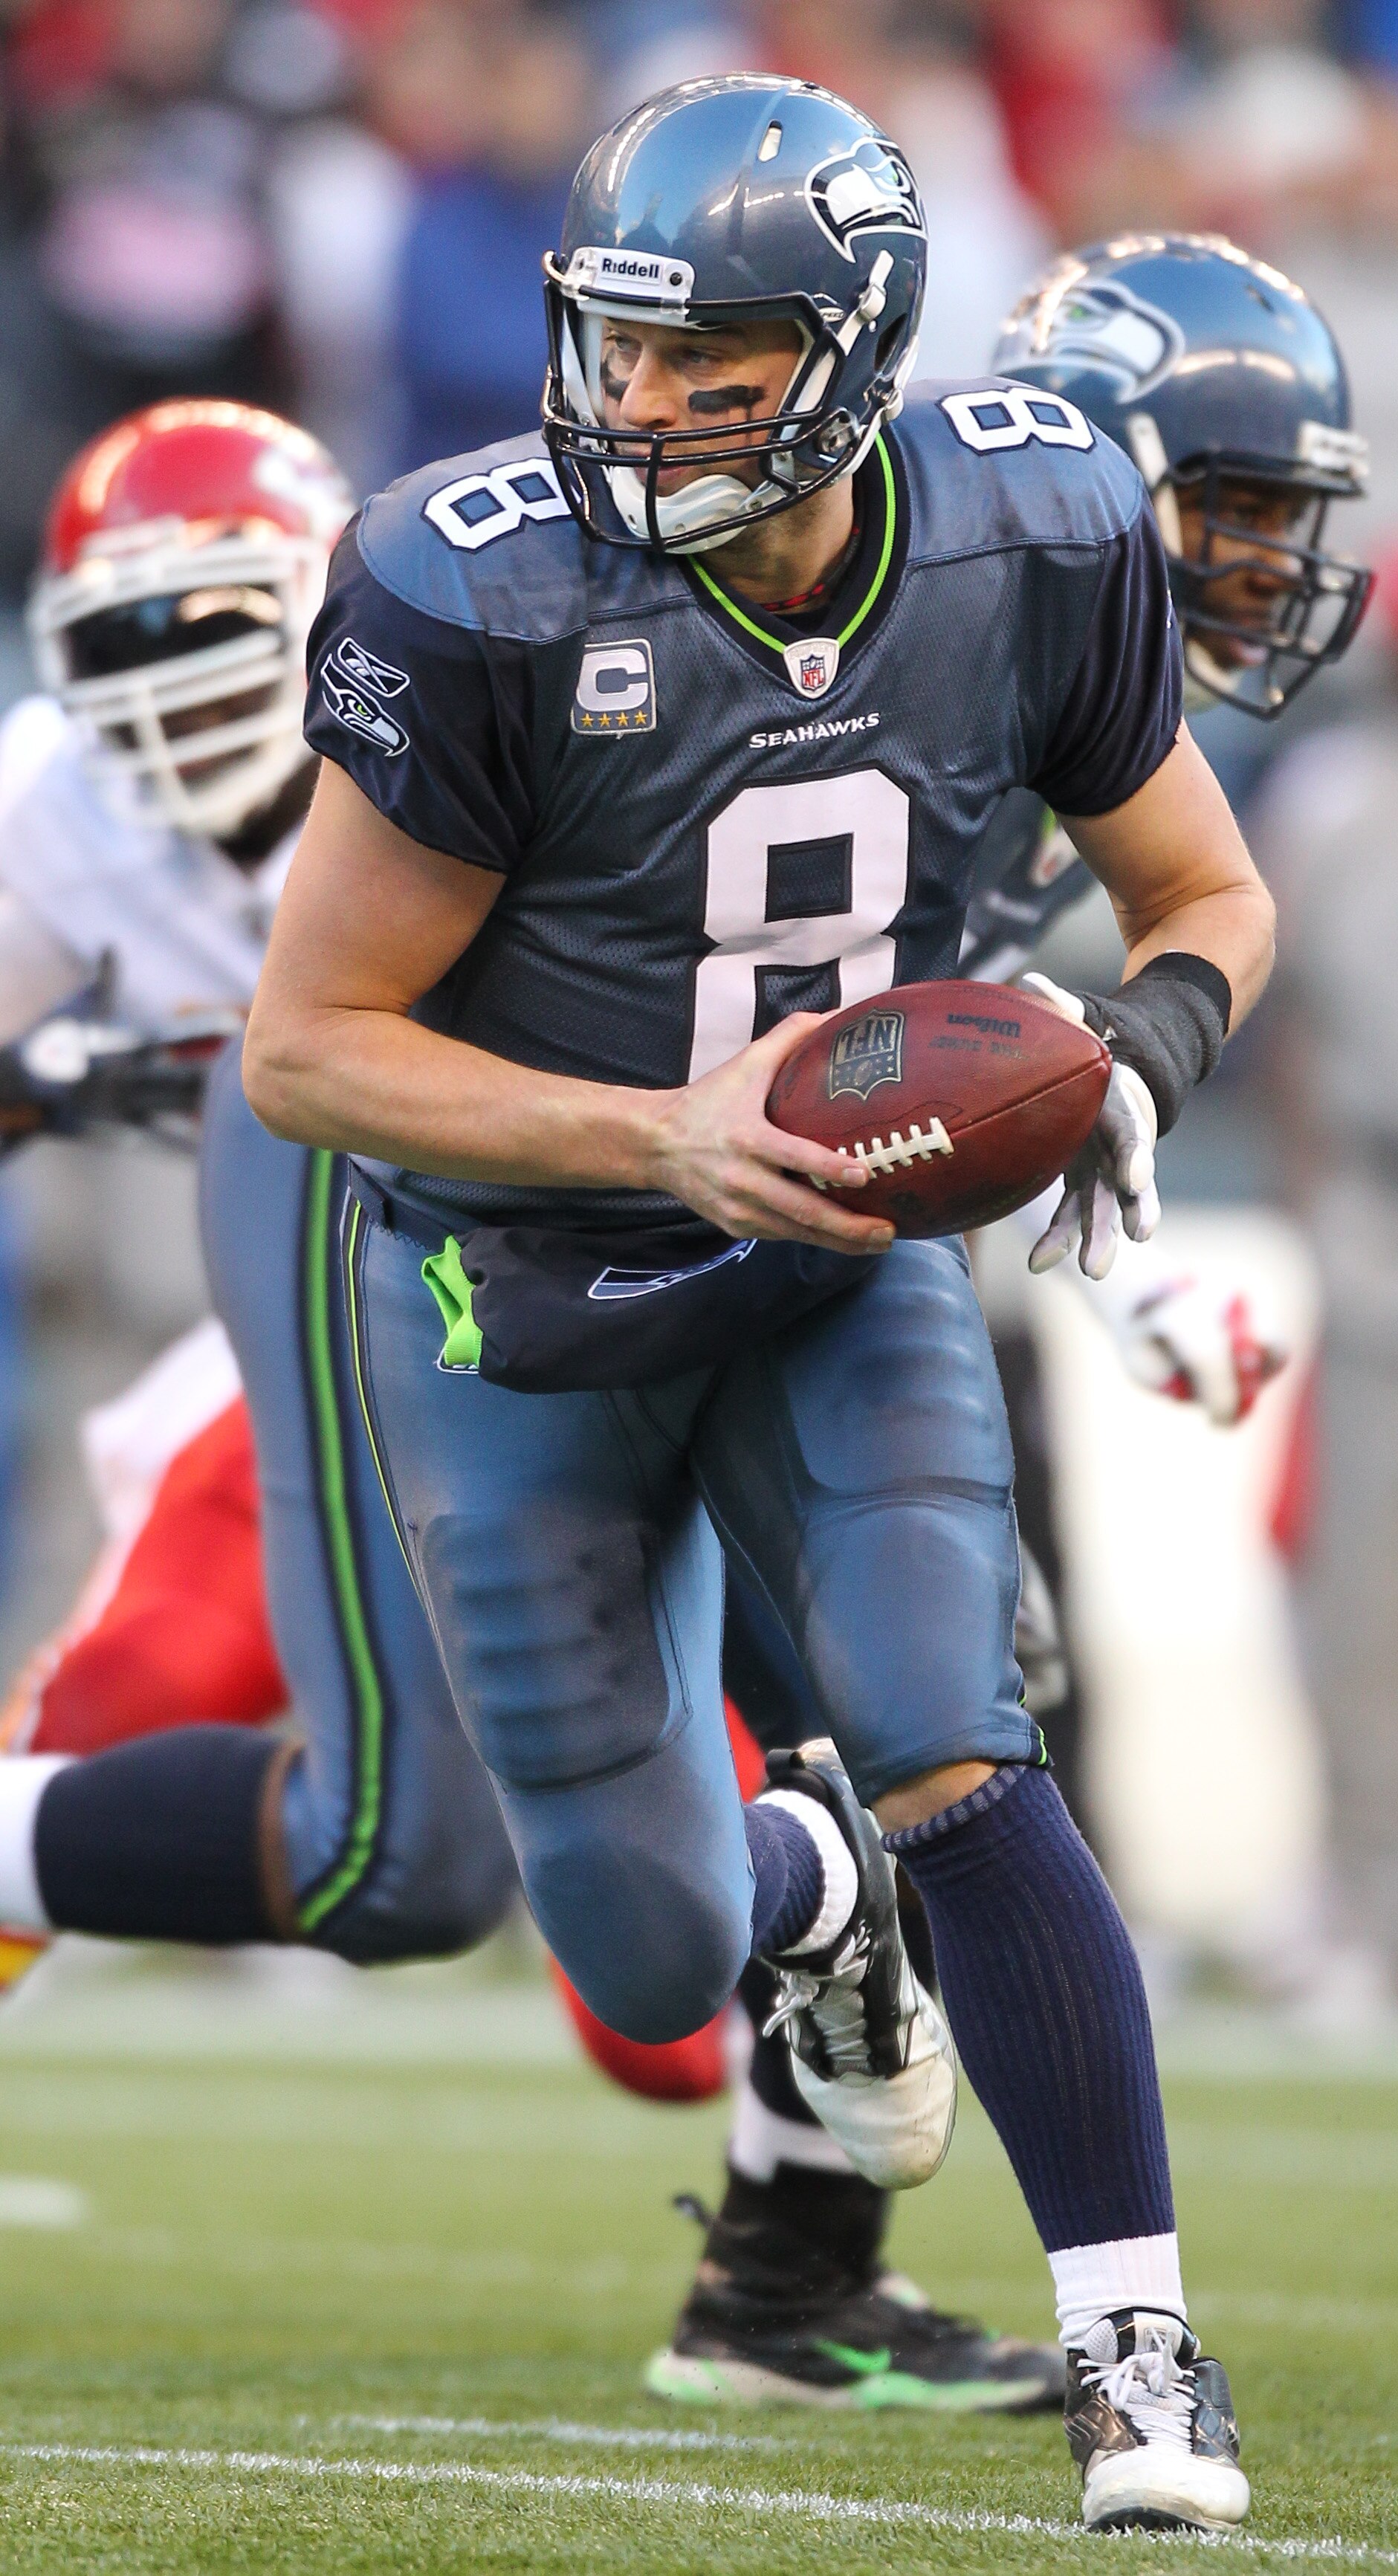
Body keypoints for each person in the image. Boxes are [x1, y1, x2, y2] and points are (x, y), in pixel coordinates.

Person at [241, 77, 1275, 2533]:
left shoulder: (1028, 524)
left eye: (709, 354)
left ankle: (1141, 2347)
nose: (641, 399)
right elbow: (307, 1047)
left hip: (837, 1270)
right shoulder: (473, 580)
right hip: (516, 1298)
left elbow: (1202, 896)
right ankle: (814, 1916)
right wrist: (660, 1133)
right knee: (639, 1928)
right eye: (615, 343)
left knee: (957, 1728)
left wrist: (1133, 1064)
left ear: (849, 348)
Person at [0, 397, 518, 1970]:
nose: (171, 673)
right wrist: (50, 1074)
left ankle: (802, 2187)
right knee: (105, 1702)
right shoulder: (47, 806)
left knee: (651, 2017)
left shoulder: (463, 735)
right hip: (295, 1342)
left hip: (537, 1326)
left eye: (213, 621)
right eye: (126, 638)